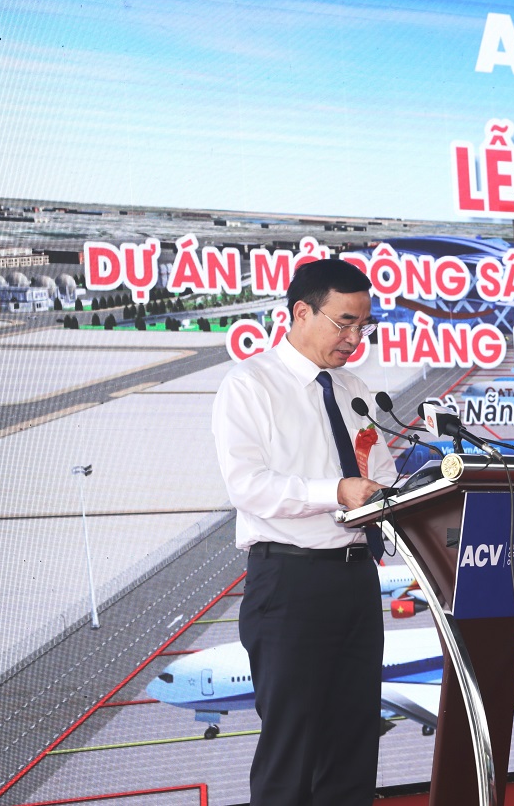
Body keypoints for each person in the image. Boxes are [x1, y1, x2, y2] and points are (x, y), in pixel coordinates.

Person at [212, 258, 397, 806]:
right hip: (289, 584)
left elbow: (382, 477)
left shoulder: (354, 390)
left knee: (354, 748)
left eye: (364, 325)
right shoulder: (250, 385)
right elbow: (248, 486)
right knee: (291, 755)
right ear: (301, 312)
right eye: (344, 323)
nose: (355, 339)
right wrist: (335, 491)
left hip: (357, 582)